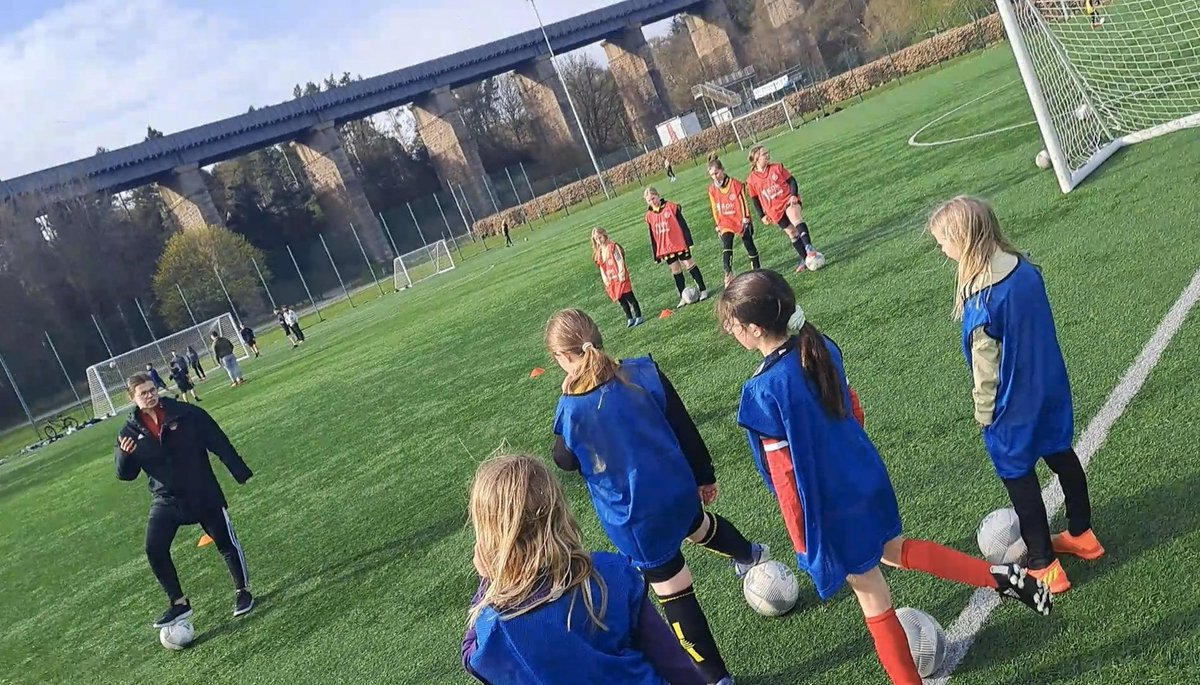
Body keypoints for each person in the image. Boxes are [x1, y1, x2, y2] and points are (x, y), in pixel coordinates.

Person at [717, 270, 1051, 685]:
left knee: (872, 596)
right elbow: (854, 411)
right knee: (892, 550)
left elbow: (784, 478)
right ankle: (998, 576)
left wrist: (803, 536)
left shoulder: (761, 391)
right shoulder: (818, 346)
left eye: (732, 323)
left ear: (754, 328)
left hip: (830, 504)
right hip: (864, 475)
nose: (731, 332)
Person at [548, 309, 766, 685]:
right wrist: (704, 475)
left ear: (562, 358)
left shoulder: (571, 410)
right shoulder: (644, 371)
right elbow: (683, 424)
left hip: (635, 517)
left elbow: (563, 459)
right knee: (698, 526)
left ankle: (716, 679)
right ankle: (750, 554)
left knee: (674, 589)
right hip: (677, 489)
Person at [928, 196, 1102, 594]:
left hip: (1013, 406)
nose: (941, 248)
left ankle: (1044, 565)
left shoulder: (982, 300)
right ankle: (1083, 534)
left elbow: (985, 368)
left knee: (1020, 480)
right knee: (1062, 454)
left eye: (943, 241)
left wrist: (983, 411)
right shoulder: (1024, 268)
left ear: (963, 240)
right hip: (1050, 386)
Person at [462, 454, 704, 685]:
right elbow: (672, 661)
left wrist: (488, 582)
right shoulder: (611, 575)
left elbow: (471, 658)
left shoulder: (497, 627)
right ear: (558, 511)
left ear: (489, 536)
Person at [115, 373, 254, 627]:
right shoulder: (128, 432)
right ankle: (179, 604)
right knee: (154, 549)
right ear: (132, 398)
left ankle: (243, 592)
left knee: (226, 543)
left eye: (152, 389)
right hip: (166, 500)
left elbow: (218, 441)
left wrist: (239, 471)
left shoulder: (186, 413)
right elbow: (126, 475)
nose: (150, 394)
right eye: (143, 393)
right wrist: (125, 456)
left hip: (203, 492)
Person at [745, 144, 824, 273]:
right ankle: (805, 259)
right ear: (756, 159)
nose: (767, 155)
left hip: (788, 200)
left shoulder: (777, 168)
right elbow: (755, 199)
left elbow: (792, 181)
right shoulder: (751, 180)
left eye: (767, 152)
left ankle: (809, 248)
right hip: (773, 210)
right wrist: (762, 215)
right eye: (764, 154)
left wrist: (793, 195)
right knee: (792, 233)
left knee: (794, 216)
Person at [643, 187, 708, 309]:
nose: (652, 201)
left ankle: (703, 289)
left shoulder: (671, 207)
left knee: (689, 264)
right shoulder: (649, 216)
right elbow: (653, 236)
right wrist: (656, 254)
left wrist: (689, 241)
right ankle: (683, 296)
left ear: (658, 195)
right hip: (666, 248)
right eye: (649, 200)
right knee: (676, 270)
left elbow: (683, 224)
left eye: (653, 198)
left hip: (679, 243)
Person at [706, 154, 761, 287]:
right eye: (712, 175)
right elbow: (715, 208)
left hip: (740, 219)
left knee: (749, 245)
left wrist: (746, 219)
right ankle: (728, 275)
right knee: (727, 246)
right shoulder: (712, 189)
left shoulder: (735, 184)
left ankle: (757, 271)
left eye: (717, 173)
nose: (715, 177)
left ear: (722, 170)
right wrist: (718, 224)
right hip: (725, 221)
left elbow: (742, 202)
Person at [592, 227, 644, 328]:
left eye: (600, 237)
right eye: (596, 239)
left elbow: (619, 260)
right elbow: (602, 268)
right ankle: (629, 318)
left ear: (604, 235)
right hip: (612, 280)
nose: (599, 240)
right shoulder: (599, 253)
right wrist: (605, 279)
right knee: (621, 300)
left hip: (620, 277)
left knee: (630, 297)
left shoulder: (613, 247)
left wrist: (621, 273)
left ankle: (639, 316)